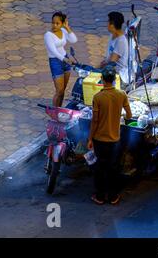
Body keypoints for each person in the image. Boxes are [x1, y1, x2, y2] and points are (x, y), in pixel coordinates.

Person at [87, 66, 132, 205]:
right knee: (113, 168)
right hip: (115, 139)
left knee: (99, 167)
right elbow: (129, 115)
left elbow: (95, 120)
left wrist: (90, 139)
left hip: (100, 139)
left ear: (102, 80)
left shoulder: (98, 97)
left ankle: (100, 197)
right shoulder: (122, 94)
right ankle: (113, 197)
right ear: (113, 80)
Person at [44, 12, 78, 107]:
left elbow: (74, 40)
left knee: (63, 90)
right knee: (59, 91)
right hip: (55, 62)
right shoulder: (48, 35)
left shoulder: (63, 30)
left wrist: (67, 28)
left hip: (65, 60)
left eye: (57, 23)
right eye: (53, 23)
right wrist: (64, 59)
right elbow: (53, 51)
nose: (54, 25)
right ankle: (55, 112)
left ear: (62, 23)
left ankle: (59, 110)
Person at [100, 11, 129, 87]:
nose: (107, 24)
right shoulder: (112, 35)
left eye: (108, 22)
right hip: (109, 69)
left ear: (112, 25)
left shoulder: (121, 41)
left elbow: (112, 62)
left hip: (117, 75)